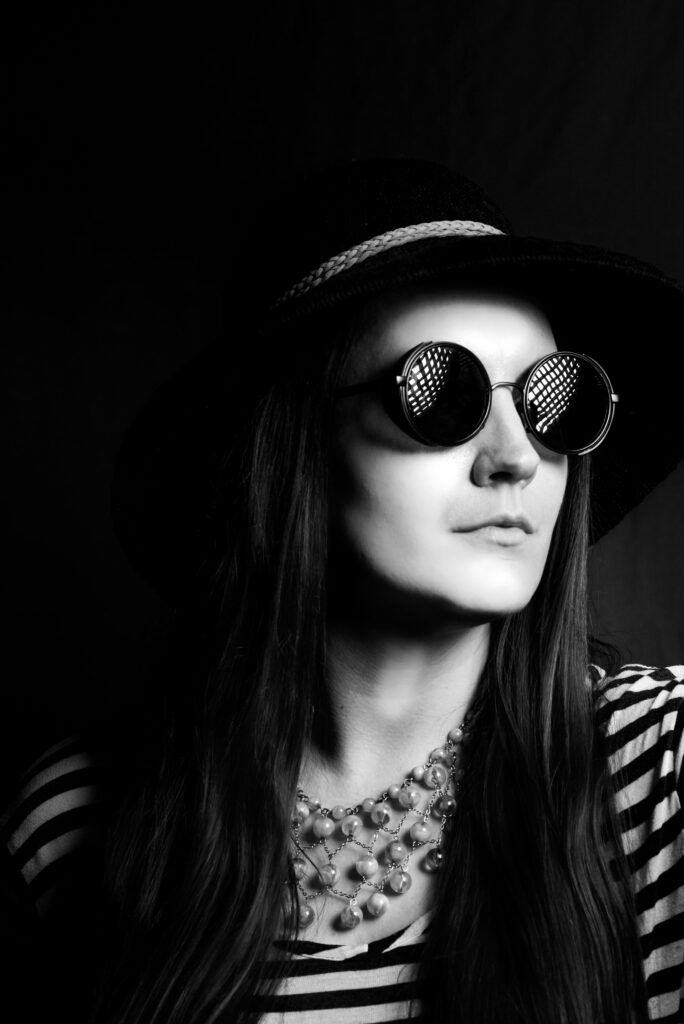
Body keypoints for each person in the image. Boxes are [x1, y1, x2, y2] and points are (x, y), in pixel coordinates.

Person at [2, 157, 684, 1023]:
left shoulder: (661, 768)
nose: (516, 457)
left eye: (556, 400)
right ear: (295, 450)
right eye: (441, 393)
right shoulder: (69, 829)